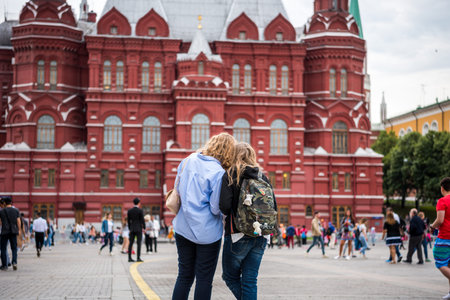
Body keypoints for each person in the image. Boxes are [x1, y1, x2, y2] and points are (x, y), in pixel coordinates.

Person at [172, 132, 236, 300]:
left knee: (184, 276)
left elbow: (176, 190)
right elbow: (216, 208)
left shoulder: (188, 161)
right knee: (204, 280)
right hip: (208, 234)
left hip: (183, 228)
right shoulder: (219, 172)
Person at [220, 142, 276, 300]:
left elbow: (224, 206)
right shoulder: (262, 176)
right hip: (261, 234)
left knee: (230, 277)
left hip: (237, 234)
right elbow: (273, 205)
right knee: (250, 280)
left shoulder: (231, 174)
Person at [430, 177, 450, 300]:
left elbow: (440, 220)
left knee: (440, 262)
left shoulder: (442, 201)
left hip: (445, 237)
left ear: (442, 188)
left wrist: (432, 226)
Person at [0, 197, 21, 270]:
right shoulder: (16, 210)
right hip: (13, 231)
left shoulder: (2, 211)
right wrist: (19, 230)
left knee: (3, 248)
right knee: (14, 248)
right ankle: (14, 262)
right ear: (11, 202)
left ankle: (4, 265)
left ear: (4, 203)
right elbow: (18, 221)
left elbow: (0, 222)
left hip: (4, 231)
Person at [127, 197, 145, 262]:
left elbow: (128, 221)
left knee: (130, 243)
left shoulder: (129, 211)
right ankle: (138, 258)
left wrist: (130, 228)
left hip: (132, 228)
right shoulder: (140, 211)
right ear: (139, 203)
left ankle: (129, 258)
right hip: (138, 229)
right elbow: (142, 220)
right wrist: (144, 227)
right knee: (138, 243)